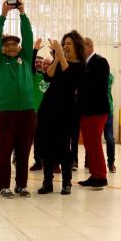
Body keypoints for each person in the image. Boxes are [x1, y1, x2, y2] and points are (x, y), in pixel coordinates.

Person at [0, 0, 35, 198]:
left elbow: (28, 36)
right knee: (6, 151)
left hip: (27, 112)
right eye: (7, 45)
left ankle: (21, 185)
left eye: (14, 44)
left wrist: (23, 14)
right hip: (6, 112)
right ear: (1, 48)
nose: (11, 47)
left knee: (24, 151)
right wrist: (3, 15)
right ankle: (3, 186)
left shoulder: (25, 58)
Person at [37, 31, 86, 195]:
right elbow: (48, 77)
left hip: (66, 110)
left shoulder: (80, 65)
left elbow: (70, 77)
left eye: (69, 43)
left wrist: (61, 56)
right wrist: (57, 57)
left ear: (77, 46)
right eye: (64, 43)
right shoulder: (60, 60)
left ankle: (67, 182)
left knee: (64, 147)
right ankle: (47, 182)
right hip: (48, 107)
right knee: (46, 146)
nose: (65, 46)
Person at [77, 37, 110, 188]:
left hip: (97, 110)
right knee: (89, 144)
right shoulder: (84, 64)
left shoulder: (100, 62)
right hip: (85, 110)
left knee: (95, 143)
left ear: (90, 47)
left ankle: (101, 176)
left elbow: (95, 84)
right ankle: (94, 173)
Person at [29, 39, 52, 171]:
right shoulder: (35, 75)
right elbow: (32, 64)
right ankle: (38, 162)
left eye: (47, 64)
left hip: (49, 114)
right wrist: (35, 50)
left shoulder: (53, 78)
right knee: (36, 140)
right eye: (43, 63)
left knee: (48, 140)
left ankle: (51, 162)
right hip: (35, 113)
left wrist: (55, 52)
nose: (44, 65)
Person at [105, 73, 116, 173]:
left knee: (109, 138)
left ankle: (111, 163)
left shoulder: (109, 77)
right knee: (94, 139)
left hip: (108, 111)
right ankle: (90, 162)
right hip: (96, 112)